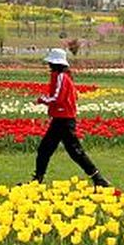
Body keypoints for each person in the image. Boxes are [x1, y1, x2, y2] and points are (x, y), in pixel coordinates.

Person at [34, 47, 110, 187]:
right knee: (46, 149)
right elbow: (73, 96)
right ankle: (37, 179)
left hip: (64, 120)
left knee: (75, 152)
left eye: (50, 63)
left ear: (54, 63)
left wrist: (42, 100)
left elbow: (58, 98)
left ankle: (98, 178)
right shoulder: (61, 76)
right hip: (60, 119)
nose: (48, 65)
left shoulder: (61, 77)